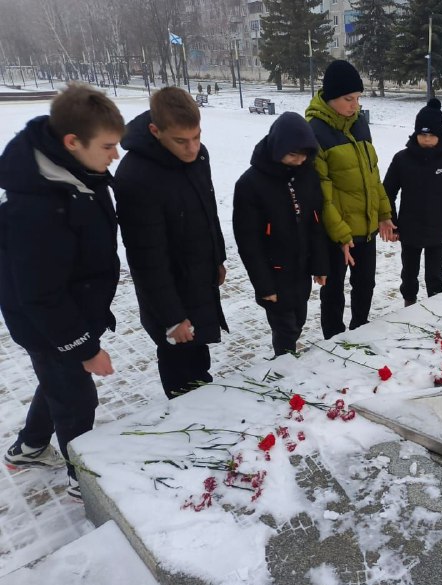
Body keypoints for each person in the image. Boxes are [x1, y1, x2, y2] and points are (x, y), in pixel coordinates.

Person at [0, 83, 125, 499]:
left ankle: (30, 447)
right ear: (72, 142)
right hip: (47, 323)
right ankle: (81, 482)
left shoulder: (78, 174)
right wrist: (85, 348)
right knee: (75, 400)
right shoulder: (36, 205)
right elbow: (41, 295)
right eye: (107, 146)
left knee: (57, 382)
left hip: (68, 315)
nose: (115, 155)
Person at [114, 87, 228, 399]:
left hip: (198, 278)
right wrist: (172, 317)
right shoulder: (136, 176)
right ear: (155, 131)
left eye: (197, 137)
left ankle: (204, 410)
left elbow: (208, 211)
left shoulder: (198, 156)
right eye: (181, 141)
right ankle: (187, 420)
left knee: (199, 357)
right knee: (180, 368)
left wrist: (217, 258)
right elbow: (145, 258)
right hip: (168, 292)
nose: (192, 148)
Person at [305, 60, 395, 339]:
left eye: (358, 98)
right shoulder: (314, 131)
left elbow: (373, 175)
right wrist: (341, 235)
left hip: (366, 227)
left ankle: (360, 329)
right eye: (348, 99)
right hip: (337, 234)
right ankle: (334, 340)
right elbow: (322, 194)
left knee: (365, 284)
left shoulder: (360, 125)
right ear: (331, 97)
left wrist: (384, 214)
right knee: (333, 290)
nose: (355, 105)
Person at [233, 113, 328, 356]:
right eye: (293, 154)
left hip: (301, 268)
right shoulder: (250, 184)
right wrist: (264, 286)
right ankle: (284, 367)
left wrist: (319, 265)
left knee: (298, 321)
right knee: (285, 329)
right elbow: (248, 242)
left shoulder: (307, 175)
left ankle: (287, 360)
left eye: (305, 154)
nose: (299, 160)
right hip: (274, 272)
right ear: (278, 149)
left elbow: (315, 223)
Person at [383, 98, 442, 306]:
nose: (426, 139)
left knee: (435, 273)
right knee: (409, 272)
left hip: (439, 230)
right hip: (409, 230)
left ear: (440, 135)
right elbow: (387, 192)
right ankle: (409, 302)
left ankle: (435, 303)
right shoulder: (402, 159)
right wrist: (393, 224)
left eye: (431, 135)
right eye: (422, 134)